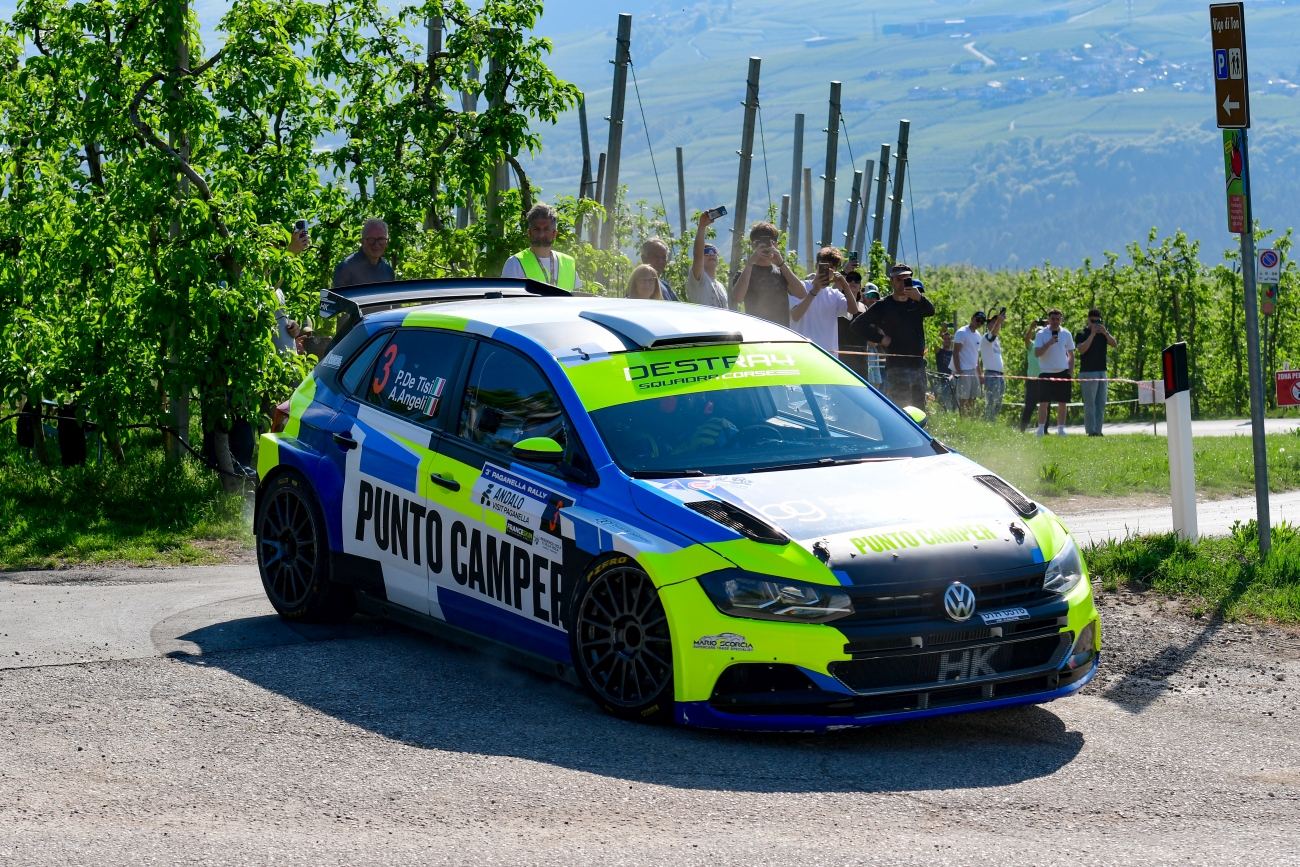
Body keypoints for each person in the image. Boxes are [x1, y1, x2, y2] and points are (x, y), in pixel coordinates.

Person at [851, 263, 934, 410]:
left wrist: (920, 298)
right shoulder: (883, 305)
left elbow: (931, 311)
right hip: (898, 367)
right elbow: (857, 325)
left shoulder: (916, 302)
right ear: (891, 282)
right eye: (899, 280)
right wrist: (880, 339)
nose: (902, 284)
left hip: (918, 366)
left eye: (906, 280)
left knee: (920, 411)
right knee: (902, 410)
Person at [730, 221, 806, 325]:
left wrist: (781, 263)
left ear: (775, 245)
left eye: (770, 243)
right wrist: (750, 262)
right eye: (760, 243)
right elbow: (738, 297)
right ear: (753, 246)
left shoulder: (782, 272)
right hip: (756, 331)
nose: (765, 247)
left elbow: (802, 294)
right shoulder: (744, 274)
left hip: (779, 331)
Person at [789, 247, 861, 353]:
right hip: (801, 352)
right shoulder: (800, 287)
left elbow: (853, 310)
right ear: (816, 266)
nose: (827, 270)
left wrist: (845, 285)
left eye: (831, 267)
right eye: (824, 266)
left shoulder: (834, 294)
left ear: (836, 271)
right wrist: (815, 290)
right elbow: (795, 316)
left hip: (827, 355)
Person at [503, 203, 582, 290]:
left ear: (555, 234)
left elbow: (577, 297)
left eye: (546, 229)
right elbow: (509, 297)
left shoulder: (568, 263)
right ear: (529, 233)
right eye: (537, 229)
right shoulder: (514, 263)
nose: (541, 234)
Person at [1075, 308, 1117, 436]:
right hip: (1088, 373)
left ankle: (1098, 431)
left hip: (1101, 372)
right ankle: (1091, 431)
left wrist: (1106, 333)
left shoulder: (1103, 334)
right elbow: (1081, 350)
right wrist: (1092, 335)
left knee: (1101, 404)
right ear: (1088, 320)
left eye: (1098, 321)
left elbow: (1114, 344)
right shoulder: (1082, 334)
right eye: (1093, 321)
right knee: (1090, 405)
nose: (1096, 324)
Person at [1033, 308, 1075, 437]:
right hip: (1046, 372)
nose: (1055, 321)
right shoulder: (1041, 334)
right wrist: (1049, 343)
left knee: (1062, 402)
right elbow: (1037, 353)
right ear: (1048, 319)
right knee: (1044, 403)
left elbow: (1071, 354)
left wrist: (1071, 372)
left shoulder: (1066, 334)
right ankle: (1041, 429)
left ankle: (1061, 430)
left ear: (1061, 319)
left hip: (1062, 372)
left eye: (1057, 319)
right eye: (1053, 319)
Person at [333, 218, 396, 288]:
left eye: (381, 239)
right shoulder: (346, 269)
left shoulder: (388, 271)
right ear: (362, 241)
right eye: (371, 239)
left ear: (387, 242)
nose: (376, 244)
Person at [686, 211, 728, 308]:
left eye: (714, 251)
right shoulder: (698, 280)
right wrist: (702, 226)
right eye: (707, 251)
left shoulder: (721, 287)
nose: (711, 254)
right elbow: (698, 255)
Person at [951, 311, 985, 417]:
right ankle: (963, 420)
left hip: (973, 371)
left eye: (982, 322)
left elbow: (976, 356)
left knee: (972, 398)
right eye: (977, 319)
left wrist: (980, 375)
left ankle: (969, 421)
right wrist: (959, 372)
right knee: (963, 399)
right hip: (964, 370)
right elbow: (955, 352)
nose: (979, 322)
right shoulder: (962, 332)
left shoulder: (978, 335)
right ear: (972, 318)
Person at [836, 270, 869, 377]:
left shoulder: (864, 307)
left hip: (861, 354)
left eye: (856, 280)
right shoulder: (838, 304)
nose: (853, 282)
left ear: (860, 286)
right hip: (842, 351)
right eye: (849, 280)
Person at [981, 308, 1007, 422]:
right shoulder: (986, 338)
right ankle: (988, 422)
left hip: (1000, 375)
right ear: (988, 325)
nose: (996, 324)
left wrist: (998, 323)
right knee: (991, 402)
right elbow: (992, 335)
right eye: (993, 322)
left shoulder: (997, 340)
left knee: (998, 403)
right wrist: (999, 322)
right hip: (991, 374)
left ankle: (992, 422)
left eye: (997, 322)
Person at [1019, 319, 1045, 432]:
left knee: (1045, 406)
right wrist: (1031, 328)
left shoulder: (1047, 346)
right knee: (1029, 406)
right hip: (1032, 380)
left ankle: (1044, 430)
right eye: (1037, 333)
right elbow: (1026, 339)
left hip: (1044, 380)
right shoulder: (1032, 345)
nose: (1039, 334)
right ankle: (1022, 429)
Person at [935, 323, 956, 411]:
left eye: (949, 339)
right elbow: (936, 345)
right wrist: (942, 329)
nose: (947, 340)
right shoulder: (940, 352)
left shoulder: (954, 352)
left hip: (954, 381)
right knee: (945, 404)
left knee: (955, 404)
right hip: (943, 382)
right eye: (945, 339)